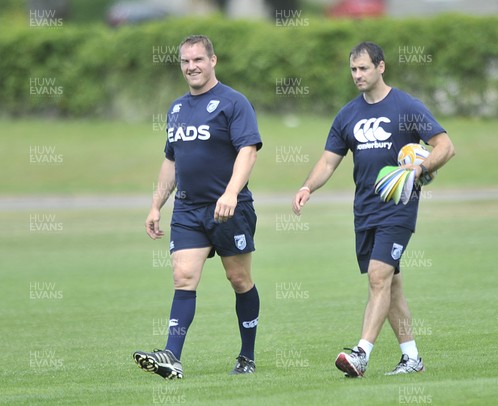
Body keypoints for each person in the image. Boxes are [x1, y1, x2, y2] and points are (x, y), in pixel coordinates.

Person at [292, 41, 455, 377]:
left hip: (398, 207)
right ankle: (412, 359)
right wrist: (308, 186)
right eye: (353, 69)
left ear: (381, 67)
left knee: (379, 276)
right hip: (364, 210)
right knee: (390, 284)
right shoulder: (348, 114)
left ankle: (361, 353)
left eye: (364, 68)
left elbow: (445, 146)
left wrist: (418, 170)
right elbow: (328, 160)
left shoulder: (406, 106)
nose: (358, 75)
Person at [133, 35, 262, 379]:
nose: (191, 67)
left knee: (238, 278)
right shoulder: (176, 109)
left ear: (213, 61)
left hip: (229, 208)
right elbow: (170, 161)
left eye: (198, 60)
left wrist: (231, 193)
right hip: (188, 210)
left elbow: (248, 151)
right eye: (185, 62)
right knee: (183, 276)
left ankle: (247, 356)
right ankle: (171, 357)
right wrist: (156, 205)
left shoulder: (233, 102)